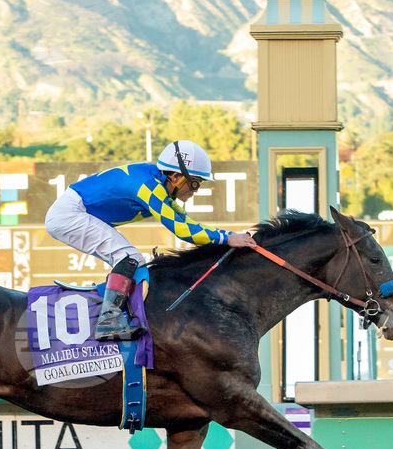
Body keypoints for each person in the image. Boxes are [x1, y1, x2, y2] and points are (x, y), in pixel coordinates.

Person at [44, 139, 257, 341]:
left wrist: (228, 236)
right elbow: (184, 230)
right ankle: (108, 322)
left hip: (73, 211)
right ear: (175, 177)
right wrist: (228, 238)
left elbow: (187, 222)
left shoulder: (158, 184)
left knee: (131, 260)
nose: (195, 191)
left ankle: (115, 315)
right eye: (194, 183)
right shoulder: (150, 186)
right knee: (129, 257)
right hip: (69, 214)